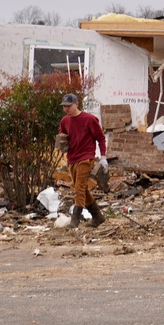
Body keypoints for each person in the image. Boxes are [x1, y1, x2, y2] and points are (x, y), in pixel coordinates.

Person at [58, 93, 108, 229]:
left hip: (86, 158)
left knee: (79, 188)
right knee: (82, 189)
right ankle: (98, 217)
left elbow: (101, 138)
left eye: (69, 106)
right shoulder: (64, 121)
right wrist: (61, 142)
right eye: (64, 106)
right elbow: (62, 137)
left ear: (77, 104)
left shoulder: (89, 119)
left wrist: (103, 157)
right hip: (72, 158)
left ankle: (75, 220)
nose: (66, 109)